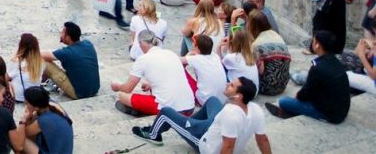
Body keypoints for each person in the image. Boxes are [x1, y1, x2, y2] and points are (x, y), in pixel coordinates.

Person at [134, 77, 271, 152]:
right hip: (213, 128)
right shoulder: (255, 109)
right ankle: (185, 123)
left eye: (231, 85)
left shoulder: (230, 113)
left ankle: (153, 135)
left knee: (166, 112)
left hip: (205, 143)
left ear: (238, 96)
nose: (228, 84)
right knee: (213, 100)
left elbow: (228, 146)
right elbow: (263, 140)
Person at [267, 31, 349, 123]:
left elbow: (304, 94)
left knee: (283, 101)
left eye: (313, 41)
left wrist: (297, 98)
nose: (312, 44)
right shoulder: (336, 62)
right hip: (341, 111)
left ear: (318, 45)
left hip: (329, 115)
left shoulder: (317, 68)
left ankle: (292, 112)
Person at [111, 30, 194, 116]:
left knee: (122, 96)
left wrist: (117, 86)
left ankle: (144, 110)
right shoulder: (171, 53)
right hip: (190, 106)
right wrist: (151, 85)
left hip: (170, 110)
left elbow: (127, 89)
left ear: (141, 43)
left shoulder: (143, 59)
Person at [41, 23, 99, 100]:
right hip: (94, 89)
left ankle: (34, 83)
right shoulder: (88, 44)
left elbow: (42, 55)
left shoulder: (67, 52)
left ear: (68, 38)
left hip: (79, 93)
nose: (60, 34)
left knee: (46, 64)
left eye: (62, 32)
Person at [19, 86, 73, 154]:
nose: (25, 104)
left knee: (18, 141)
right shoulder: (51, 105)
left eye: (26, 103)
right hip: (63, 150)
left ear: (36, 107)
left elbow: (22, 133)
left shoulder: (44, 120)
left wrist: (24, 119)